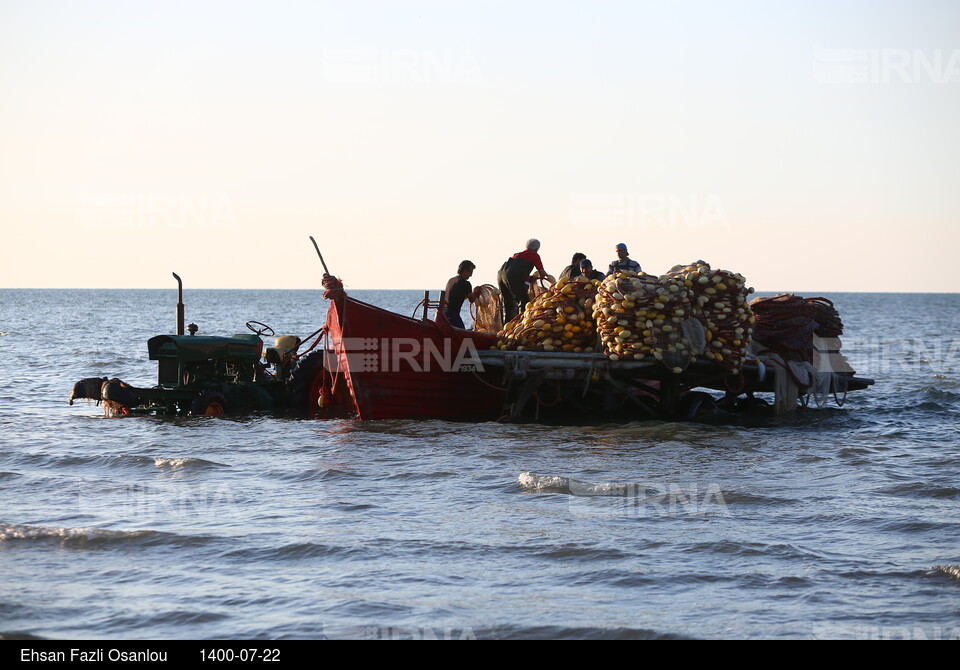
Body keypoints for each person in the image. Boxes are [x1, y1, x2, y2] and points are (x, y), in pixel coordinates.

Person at [497, 238, 547, 322]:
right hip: (512, 276)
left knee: (508, 303)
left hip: (501, 274)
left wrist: (530, 278)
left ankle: (506, 327)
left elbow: (516, 271)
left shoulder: (517, 255)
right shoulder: (534, 255)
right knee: (524, 300)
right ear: (536, 249)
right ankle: (522, 323)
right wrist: (547, 279)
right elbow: (542, 273)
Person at [444, 260, 480, 329]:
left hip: (443, 313)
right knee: (463, 335)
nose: (471, 275)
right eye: (470, 272)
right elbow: (472, 299)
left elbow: (456, 296)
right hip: (453, 315)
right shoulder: (465, 283)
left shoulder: (451, 280)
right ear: (465, 270)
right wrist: (476, 293)